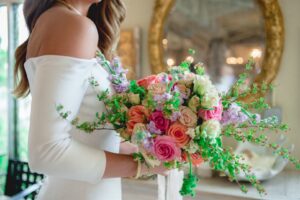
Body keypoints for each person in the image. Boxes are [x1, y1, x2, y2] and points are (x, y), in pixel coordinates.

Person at [12, 0, 168, 199]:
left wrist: (132, 149)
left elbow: (79, 133)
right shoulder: (72, 25)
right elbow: (46, 152)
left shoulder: (61, 21)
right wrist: (142, 166)